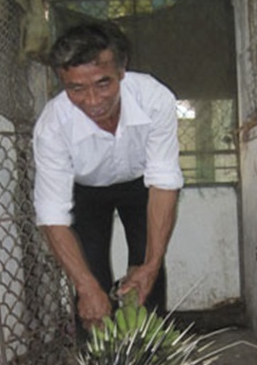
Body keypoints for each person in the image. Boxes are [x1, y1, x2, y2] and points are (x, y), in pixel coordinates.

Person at [32, 22, 183, 332]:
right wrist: (86, 287)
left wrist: (151, 265)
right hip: (85, 191)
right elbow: (52, 214)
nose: (92, 101)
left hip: (142, 186)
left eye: (103, 84)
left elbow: (164, 182)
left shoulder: (155, 99)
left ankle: (151, 359)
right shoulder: (53, 126)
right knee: (90, 282)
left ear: (122, 71)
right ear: (62, 82)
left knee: (147, 273)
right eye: (76, 88)